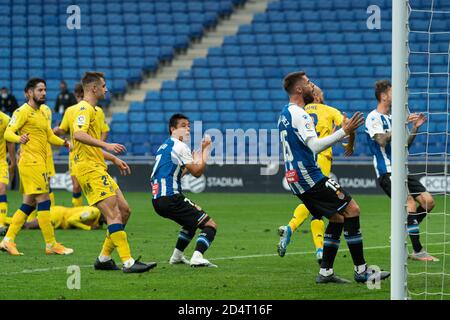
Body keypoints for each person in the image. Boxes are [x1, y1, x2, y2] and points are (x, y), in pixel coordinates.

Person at [279, 71, 390, 283]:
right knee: (353, 209)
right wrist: (344, 131)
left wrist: (338, 138)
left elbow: (303, 143)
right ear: (300, 89)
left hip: (297, 178)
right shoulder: (300, 114)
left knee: (337, 218)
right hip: (309, 177)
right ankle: (362, 270)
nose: (312, 85)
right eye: (308, 83)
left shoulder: (285, 112)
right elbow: (315, 145)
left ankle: (325, 272)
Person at [72, 71, 156, 273]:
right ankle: (128, 262)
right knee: (113, 214)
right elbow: (78, 134)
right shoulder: (84, 108)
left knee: (125, 210)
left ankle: (104, 258)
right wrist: (107, 145)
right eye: (103, 85)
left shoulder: (93, 110)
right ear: (94, 88)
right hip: (88, 169)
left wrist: (114, 158)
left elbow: (90, 145)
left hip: (97, 166)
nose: (106, 89)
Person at [277, 85, 355, 263]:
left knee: (314, 203)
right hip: (320, 158)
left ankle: (294, 230)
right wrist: (350, 142)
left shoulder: (298, 111)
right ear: (319, 97)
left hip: (303, 159)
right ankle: (318, 248)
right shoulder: (328, 110)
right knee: (322, 208)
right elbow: (348, 124)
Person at [365, 79, 438, 261]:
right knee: (410, 203)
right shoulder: (373, 117)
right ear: (383, 96)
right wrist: (401, 123)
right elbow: (381, 140)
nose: (396, 95)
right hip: (387, 171)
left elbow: (404, 145)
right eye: (392, 92)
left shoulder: (392, 118)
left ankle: (402, 231)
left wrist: (414, 129)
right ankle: (418, 250)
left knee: (428, 202)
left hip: (401, 170)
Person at [0, 78, 73, 256]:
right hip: (30, 162)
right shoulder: (22, 111)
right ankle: (51, 244)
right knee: (44, 200)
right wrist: (19, 139)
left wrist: (64, 143)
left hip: (39, 162)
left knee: (29, 204)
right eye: (39, 90)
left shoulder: (41, 113)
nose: (44, 93)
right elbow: (9, 132)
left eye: (45, 90)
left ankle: (8, 240)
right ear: (29, 93)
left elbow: (49, 135)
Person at [151, 113, 217, 267]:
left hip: (157, 199)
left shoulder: (165, 146)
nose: (188, 129)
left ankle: (177, 257)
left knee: (190, 223)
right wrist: (205, 150)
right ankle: (197, 257)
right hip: (171, 197)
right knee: (210, 225)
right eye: (183, 126)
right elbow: (197, 172)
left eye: (189, 126)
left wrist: (197, 155)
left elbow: (179, 172)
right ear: (172, 129)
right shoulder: (180, 146)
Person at [54, 82, 110, 207]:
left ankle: (82, 211)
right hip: (89, 155)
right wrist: (100, 145)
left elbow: (62, 130)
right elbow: (105, 130)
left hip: (77, 154)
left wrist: (55, 131)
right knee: (94, 187)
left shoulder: (72, 110)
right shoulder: (97, 110)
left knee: (77, 186)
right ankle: (83, 213)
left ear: (76, 94)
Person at [22, 205, 103, 231]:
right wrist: (88, 228)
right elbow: (71, 220)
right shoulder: (92, 212)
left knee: (28, 225)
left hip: (59, 216)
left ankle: (12, 224)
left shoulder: (98, 220)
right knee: (28, 225)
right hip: (58, 215)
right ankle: (12, 226)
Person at [0, 110, 16, 236]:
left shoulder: (5, 119)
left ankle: (1, 224)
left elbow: (10, 142)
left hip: (1, 161)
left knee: (2, 188)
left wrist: (13, 161)